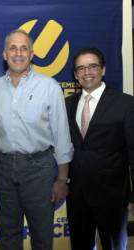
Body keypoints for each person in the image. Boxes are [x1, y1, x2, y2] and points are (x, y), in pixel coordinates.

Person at [0, 29, 73, 250]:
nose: (18, 53)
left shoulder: (49, 86)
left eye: (24, 48)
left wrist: (62, 179)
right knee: (9, 235)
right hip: (3, 170)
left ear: (32, 54)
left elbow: (62, 135)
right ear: (4, 54)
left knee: (42, 236)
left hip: (39, 169)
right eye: (13, 48)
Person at [65, 47, 134, 250]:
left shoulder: (126, 103)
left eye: (93, 66)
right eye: (81, 68)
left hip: (112, 196)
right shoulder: (67, 104)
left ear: (103, 70)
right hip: (77, 196)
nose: (87, 72)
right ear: (76, 75)